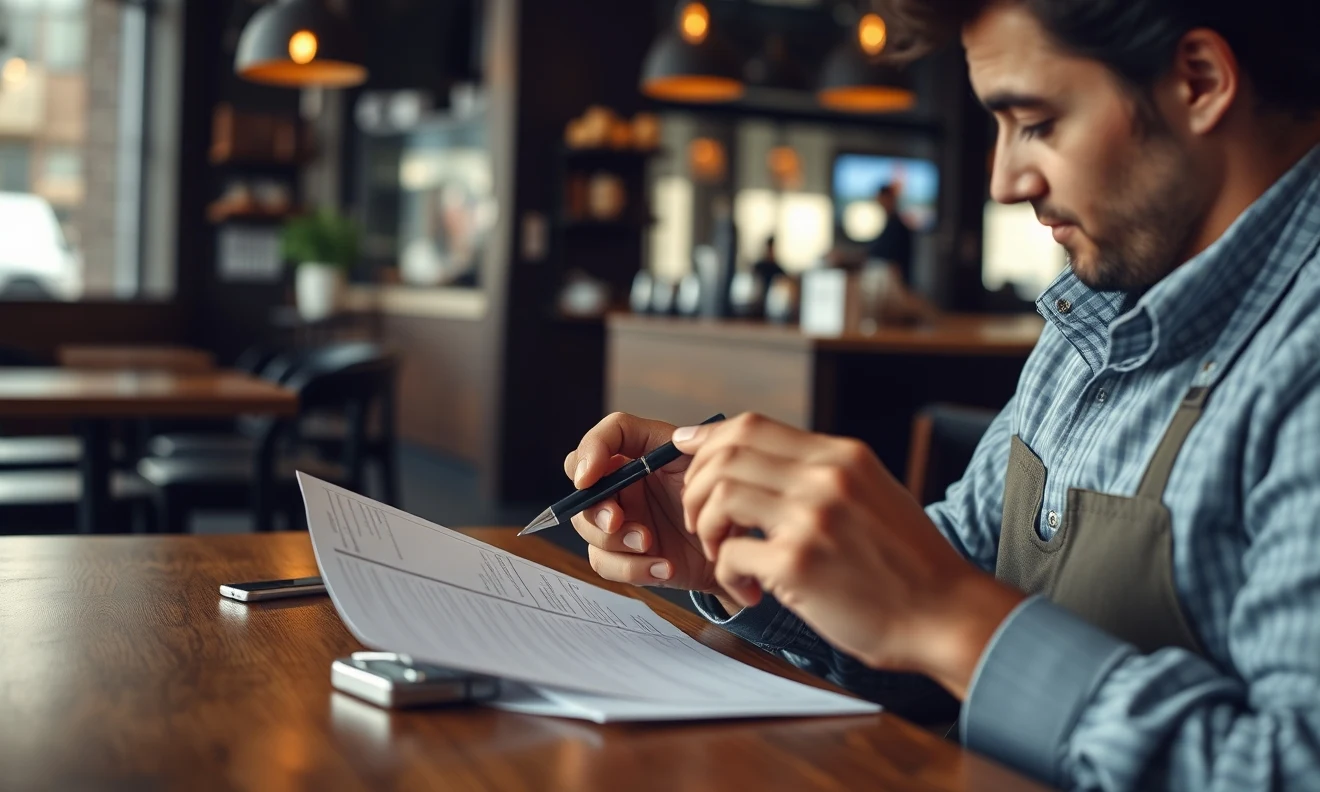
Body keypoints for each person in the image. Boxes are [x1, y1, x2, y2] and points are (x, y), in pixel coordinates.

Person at [562, 0, 1320, 789]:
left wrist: (948, 617)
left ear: (1198, 82)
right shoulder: (1091, 316)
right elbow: (933, 629)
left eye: (1035, 122)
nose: (1001, 182)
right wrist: (744, 561)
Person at [867, 183, 915, 285]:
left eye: (880, 199)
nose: (878, 202)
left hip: (896, 283)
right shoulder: (889, 223)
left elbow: (886, 257)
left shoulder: (897, 227)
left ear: (889, 199)